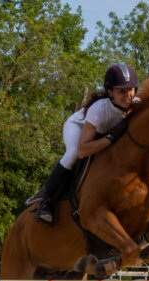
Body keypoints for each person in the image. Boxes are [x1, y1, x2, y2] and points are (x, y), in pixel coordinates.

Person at [35, 63, 139, 224]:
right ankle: (46, 201)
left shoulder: (137, 104)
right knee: (73, 153)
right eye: (122, 91)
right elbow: (83, 150)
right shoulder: (99, 109)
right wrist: (110, 139)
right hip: (78, 127)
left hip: (102, 134)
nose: (128, 96)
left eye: (130, 90)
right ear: (110, 92)